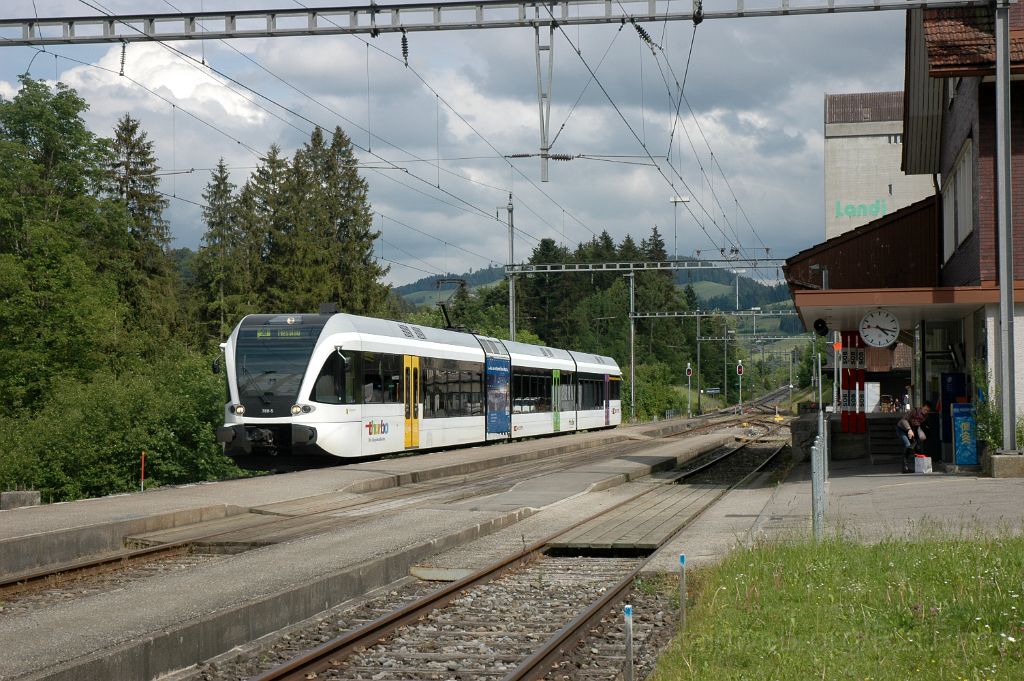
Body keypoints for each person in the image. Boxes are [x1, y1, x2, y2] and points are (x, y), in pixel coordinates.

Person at [896, 400, 933, 473]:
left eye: (927, 411)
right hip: (902, 429)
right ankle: (904, 468)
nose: (925, 412)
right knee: (907, 445)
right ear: (921, 407)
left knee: (917, 448)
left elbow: (920, 426)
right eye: (925, 409)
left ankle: (920, 467)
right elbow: (904, 420)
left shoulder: (925, 416)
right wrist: (909, 429)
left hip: (912, 431)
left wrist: (922, 433)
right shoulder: (914, 411)